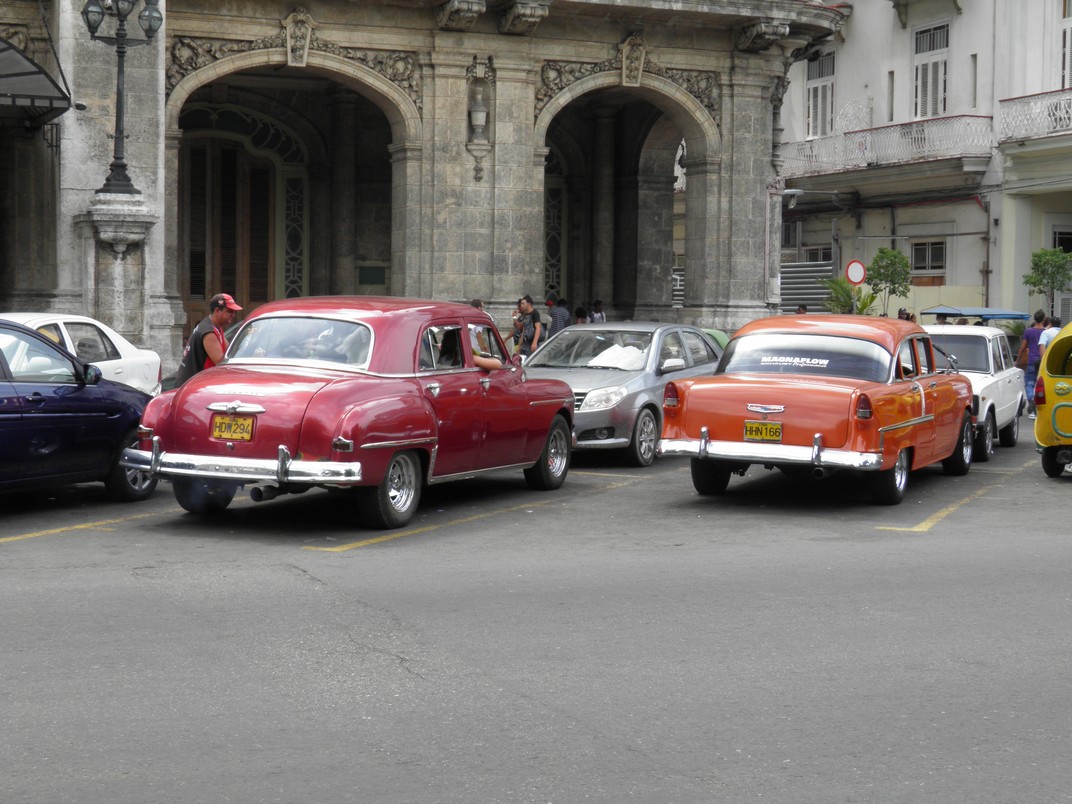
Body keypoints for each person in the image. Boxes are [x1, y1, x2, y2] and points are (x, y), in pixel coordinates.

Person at [174, 292, 242, 385]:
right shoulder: (208, 332)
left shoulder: (215, 327)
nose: (233, 315)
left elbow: (230, 351)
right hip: (191, 385)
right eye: (229, 311)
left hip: (196, 383)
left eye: (234, 312)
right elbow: (222, 364)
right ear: (217, 310)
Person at [1017, 309, 1046, 418]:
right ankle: (1039, 406)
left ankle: (1031, 400)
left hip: (1032, 360)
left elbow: (1023, 347)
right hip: (1042, 361)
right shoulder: (1046, 332)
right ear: (1043, 319)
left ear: (1034, 318)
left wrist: (1018, 360)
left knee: (1029, 383)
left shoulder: (1028, 331)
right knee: (1041, 384)